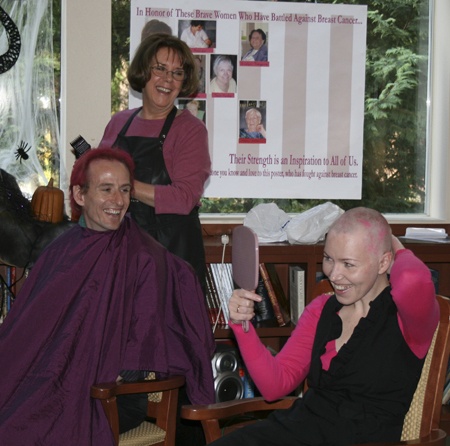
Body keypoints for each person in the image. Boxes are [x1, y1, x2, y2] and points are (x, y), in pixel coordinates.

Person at [0, 148, 215, 445]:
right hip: (50, 378)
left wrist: (103, 370)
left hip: (107, 396)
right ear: (79, 195)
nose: (118, 200)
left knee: (19, 431)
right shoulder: (61, 249)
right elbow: (29, 329)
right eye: (106, 189)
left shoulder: (144, 258)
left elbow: (145, 343)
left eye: (124, 190)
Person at [211, 207, 440, 446]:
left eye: (348, 264)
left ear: (384, 262)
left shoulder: (409, 316)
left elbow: (414, 279)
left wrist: (395, 245)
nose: (334, 275)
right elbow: (274, 386)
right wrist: (242, 326)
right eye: (329, 259)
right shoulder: (321, 309)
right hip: (296, 430)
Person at [100, 33, 210, 291]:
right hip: (120, 250)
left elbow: (184, 198)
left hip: (171, 258)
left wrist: (125, 187)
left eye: (177, 73)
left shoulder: (190, 130)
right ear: (143, 71)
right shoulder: (118, 122)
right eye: (160, 68)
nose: (168, 79)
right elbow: (97, 182)